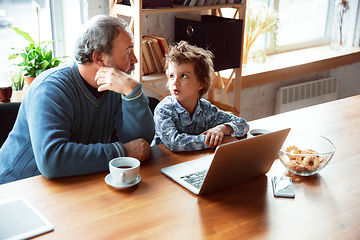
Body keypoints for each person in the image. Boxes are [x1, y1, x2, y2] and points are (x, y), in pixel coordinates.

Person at [0, 15, 154, 184]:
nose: (135, 59)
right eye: (128, 51)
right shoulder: (50, 89)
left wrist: (133, 93)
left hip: (71, 184)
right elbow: (52, 161)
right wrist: (122, 151)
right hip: (16, 186)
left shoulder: (115, 85)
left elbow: (140, 146)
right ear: (99, 58)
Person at [151, 41, 249, 152]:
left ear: (201, 83)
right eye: (172, 76)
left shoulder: (206, 109)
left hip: (191, 162)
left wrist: (220, 129)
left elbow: (243, 125)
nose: (175, 82)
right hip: (162, 165)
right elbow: (175, 143)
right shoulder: (163, 110)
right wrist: (216, 141)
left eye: (183, 76)